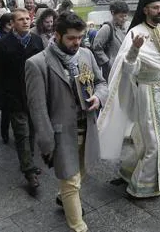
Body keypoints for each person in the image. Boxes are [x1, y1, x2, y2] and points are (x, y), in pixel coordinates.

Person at [98, 0, 160, 198]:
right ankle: (142, 185)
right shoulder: (135, 33)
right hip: (147, 93)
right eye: (155, 7)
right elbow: (128, 69)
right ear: (146, 10)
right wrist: (135, 49)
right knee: (154, 142)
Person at [26, 12, 108, 231]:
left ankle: (62, 198)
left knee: (82, 171)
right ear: (57, 35)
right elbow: (37, 108)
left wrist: (99, 97)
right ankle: (78, 226)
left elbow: (101, 83)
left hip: (88, 128)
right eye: (71, 38)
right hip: (61, 134)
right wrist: (46, 144)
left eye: (80, 37)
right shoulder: (37, 63)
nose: (76, 42)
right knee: (70, 181)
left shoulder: (86, 55)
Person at [0, 8, 45, 195]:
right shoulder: (2, 45)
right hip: (14, 97)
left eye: (27, 18)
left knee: (32, 132)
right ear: (12, 23)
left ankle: (28, 160)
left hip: (34, 95)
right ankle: (29, 170)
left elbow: (44, 67)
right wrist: (0, 99)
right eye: (20, 19)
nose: (25, 22)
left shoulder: (37, 41)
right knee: (22, 133)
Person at [92, 0, 129, 80]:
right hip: (112, 70)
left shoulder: (127, 27)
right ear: (113, 13)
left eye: (125, 16)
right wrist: (108, 63)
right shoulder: (107, 28)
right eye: (121, 16)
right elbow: (96, 47)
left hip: (126, 68)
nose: (124, 19)